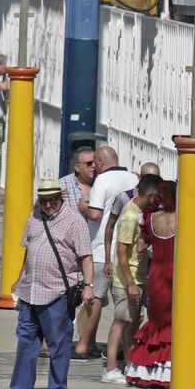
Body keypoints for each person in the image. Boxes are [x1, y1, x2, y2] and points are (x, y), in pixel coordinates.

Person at [3, 178, 97, 389]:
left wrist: (88, 286)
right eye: (43, 201)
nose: (47, 205)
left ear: (61, 198)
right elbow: (29, 250)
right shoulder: (34, 217)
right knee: (26, 340)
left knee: (58, 344)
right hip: (30, 291)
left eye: (52, 201)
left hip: (57, 292)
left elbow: (85, 256)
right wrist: (19, 277)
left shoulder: (74, 221)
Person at [76, 147, 137, 360]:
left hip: (102, 250)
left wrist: (82, 205)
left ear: (101, 162)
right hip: (126, 249)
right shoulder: (133, 178)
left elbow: (95, 214)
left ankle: (83, 344)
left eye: (95, 163)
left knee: (96, 298)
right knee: (124, 302)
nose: (94, 168)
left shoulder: (102, 181)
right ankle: (120, 346)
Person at [104, 175, 163, 385]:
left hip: (137, 277)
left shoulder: (138, 212)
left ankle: (129, 363)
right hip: (126, 281)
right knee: (120, 322)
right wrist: (130, 282)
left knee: (131, 322)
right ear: (149, 195)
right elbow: (122, 252)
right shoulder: (130, 216)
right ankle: (111, 368)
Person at [124, 180, 178, 389]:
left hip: (156, 276)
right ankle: (167, 374)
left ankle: (145, 371)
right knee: (173, 323)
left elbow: (139, 248)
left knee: (156, 321)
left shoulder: (150, 218)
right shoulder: (181, 219)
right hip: (175, 277)